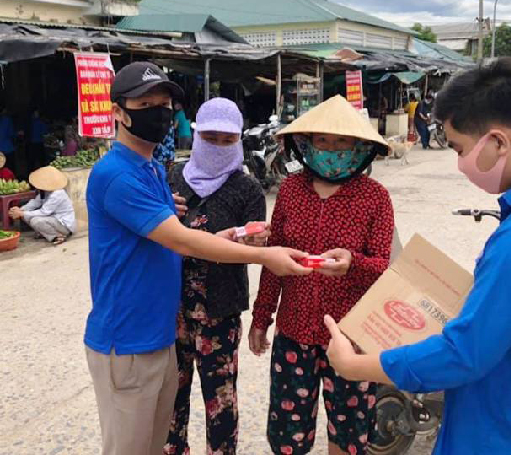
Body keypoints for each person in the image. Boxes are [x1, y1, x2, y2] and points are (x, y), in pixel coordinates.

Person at [324, 58, 511, 455]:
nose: (460, 165)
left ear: (498, 141)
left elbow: (463, 355)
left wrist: (354, 366)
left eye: (460, 149)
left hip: (495, 436)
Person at [84, 61, 310, 455]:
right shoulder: (120, 175)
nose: (158, 113)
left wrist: (225, 239)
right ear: (118, 112)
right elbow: (183, 241)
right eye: (144, 104)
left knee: (162, 437)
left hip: (163, 333)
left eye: (164, 105)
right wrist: (266, 256)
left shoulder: (153, 172)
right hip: (131, 338)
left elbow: (169, 242)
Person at [250, 95, 394, 455]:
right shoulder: (290, 190)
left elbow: (383, 267)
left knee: (349, 436)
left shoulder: (375, 197)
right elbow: (274, 259)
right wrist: (261, 318)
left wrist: (352, 264)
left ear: (359, 147)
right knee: (288, 436)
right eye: (323, 141)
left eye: (341, 142)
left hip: (351, 337)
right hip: (294, 333)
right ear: (307, 144)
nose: (331, 149)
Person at [164, 97, 267, 455]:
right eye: (211, 138)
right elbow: (154, 236)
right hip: (171, 308)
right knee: (170, 397)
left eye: (228, 140)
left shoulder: (248, 189)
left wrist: (253, 242)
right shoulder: (172, 178)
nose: (219, 146)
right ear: (196, 135)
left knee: (220, 401)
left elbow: (253, 245)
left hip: (220, 312)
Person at [8, 166, 76, 244]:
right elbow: (35, 202)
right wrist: (20, 210)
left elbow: (44, 212)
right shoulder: (45, 191)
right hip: (52, 219)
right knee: (25, 216)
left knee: (35, 221)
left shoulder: (58, 193)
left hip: (64, 225)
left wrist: (22, 213)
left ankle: (56, 236)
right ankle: (45, 233)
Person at [0, 107, 16, 173]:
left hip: (2, 150)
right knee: (10, 169)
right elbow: (11, 133)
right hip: (8, 148)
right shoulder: (7, 120)